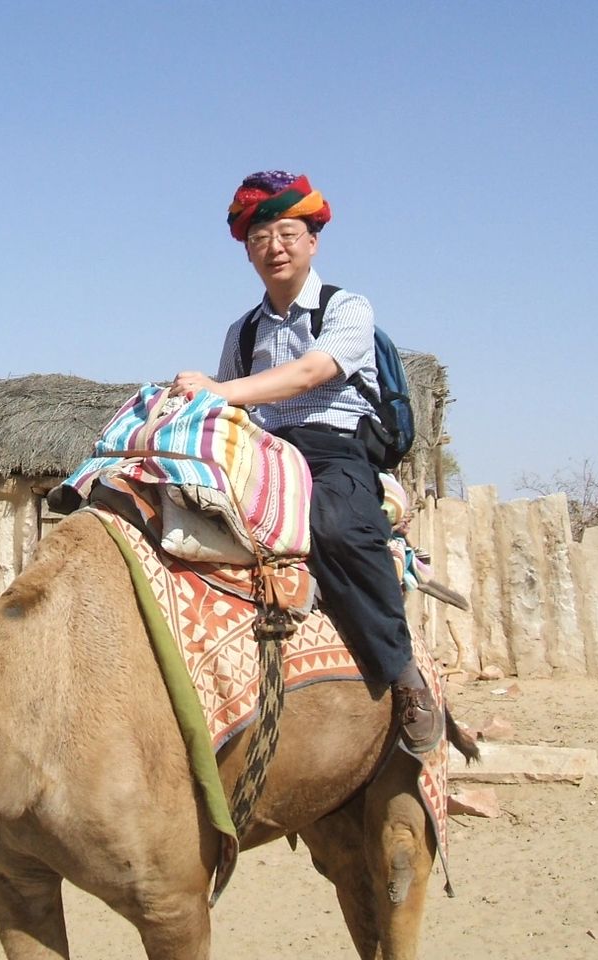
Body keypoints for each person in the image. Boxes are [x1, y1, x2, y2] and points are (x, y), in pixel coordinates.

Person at [170, 170, 443, 753]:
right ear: (247, 252)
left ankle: (403, 676)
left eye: (287, 232)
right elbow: (238, 404)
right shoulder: (241, 331)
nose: (275, 246)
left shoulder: (347, 309)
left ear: (312, 240)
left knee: (335, 525)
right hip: (264, 451)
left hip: (333, 446)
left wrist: (216, 389)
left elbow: (309, 374)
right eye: (260, 237)